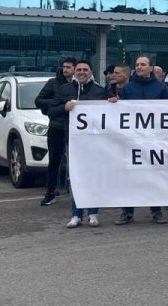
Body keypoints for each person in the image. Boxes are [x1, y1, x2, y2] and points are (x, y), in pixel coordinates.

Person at [108, 59, 168, 225]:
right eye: (137, 65)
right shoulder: (128, 88)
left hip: (154, 139)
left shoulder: (161, 88)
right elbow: (121, 112)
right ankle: (127, 212)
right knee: (130, 175)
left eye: (143, 65)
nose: (139, 67)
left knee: (154, 175)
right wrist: (115, 103)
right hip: (133, 139)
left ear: (151, 68)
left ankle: (156, 210)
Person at [48, 60, 108, 228]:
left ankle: (93, 213)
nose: (82, 72)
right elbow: (51, 110)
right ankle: (76, 214)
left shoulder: (99, 91)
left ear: (90, 72)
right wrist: (64, 107)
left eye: (85, 69)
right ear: (75, 71)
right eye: (79, 69)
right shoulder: (64, 90)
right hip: (73, 141)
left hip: (94, 141)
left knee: (93, 176)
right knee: (75, 177)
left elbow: (110, 113)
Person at [39, 57, 78, 206]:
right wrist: (60, 103)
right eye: (64, 67)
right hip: (57, 127)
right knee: (54, 161)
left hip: (75, 129)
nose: (65, 70)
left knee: (77, 161)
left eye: (68, 67)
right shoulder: (53, 83)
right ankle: (50, 192)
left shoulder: (80, 85)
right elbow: (39, 100)